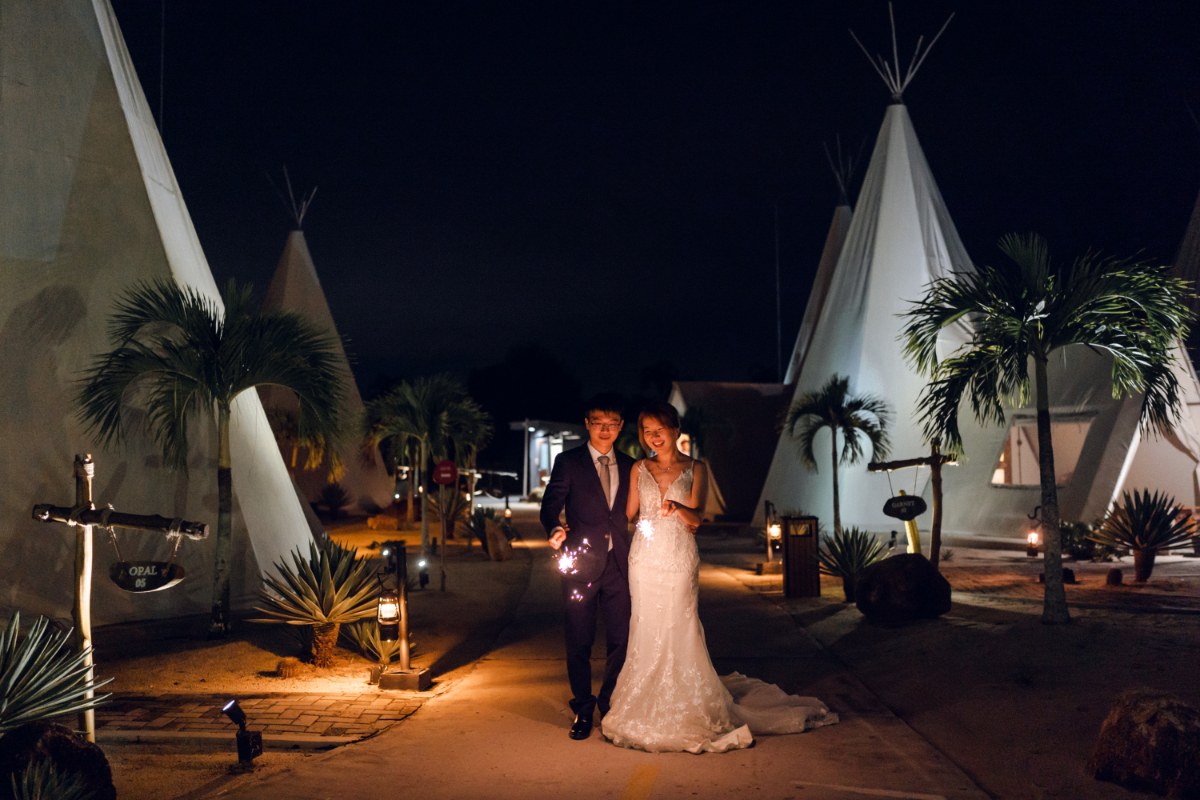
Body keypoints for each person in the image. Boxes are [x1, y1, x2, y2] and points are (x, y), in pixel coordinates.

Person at [601, 401, 838, 753]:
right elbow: (630, 512)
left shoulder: (696, 468)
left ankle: (688, 700)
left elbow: (697, 519)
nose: (653, 437)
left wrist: (676, 508)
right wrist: (638, 513)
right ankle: (642, 699)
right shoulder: (638, 468)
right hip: (645, 558)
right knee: (646, 624)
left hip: (679, 557)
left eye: (659, 430)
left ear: (674, 430)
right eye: (647, 431)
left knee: (679, 625)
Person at [540, 395, 635, 741]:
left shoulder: (631, 465)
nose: (605, 430)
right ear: (587, 424)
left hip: (620, 566)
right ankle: (582, 707)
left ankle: (609, 703)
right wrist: (553, 527)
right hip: (580, 564)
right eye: (598, 422)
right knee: (578, 641)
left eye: (612, 423)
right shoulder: (569, 462)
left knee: (621, 640)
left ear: (621, 426)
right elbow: (550, 505)